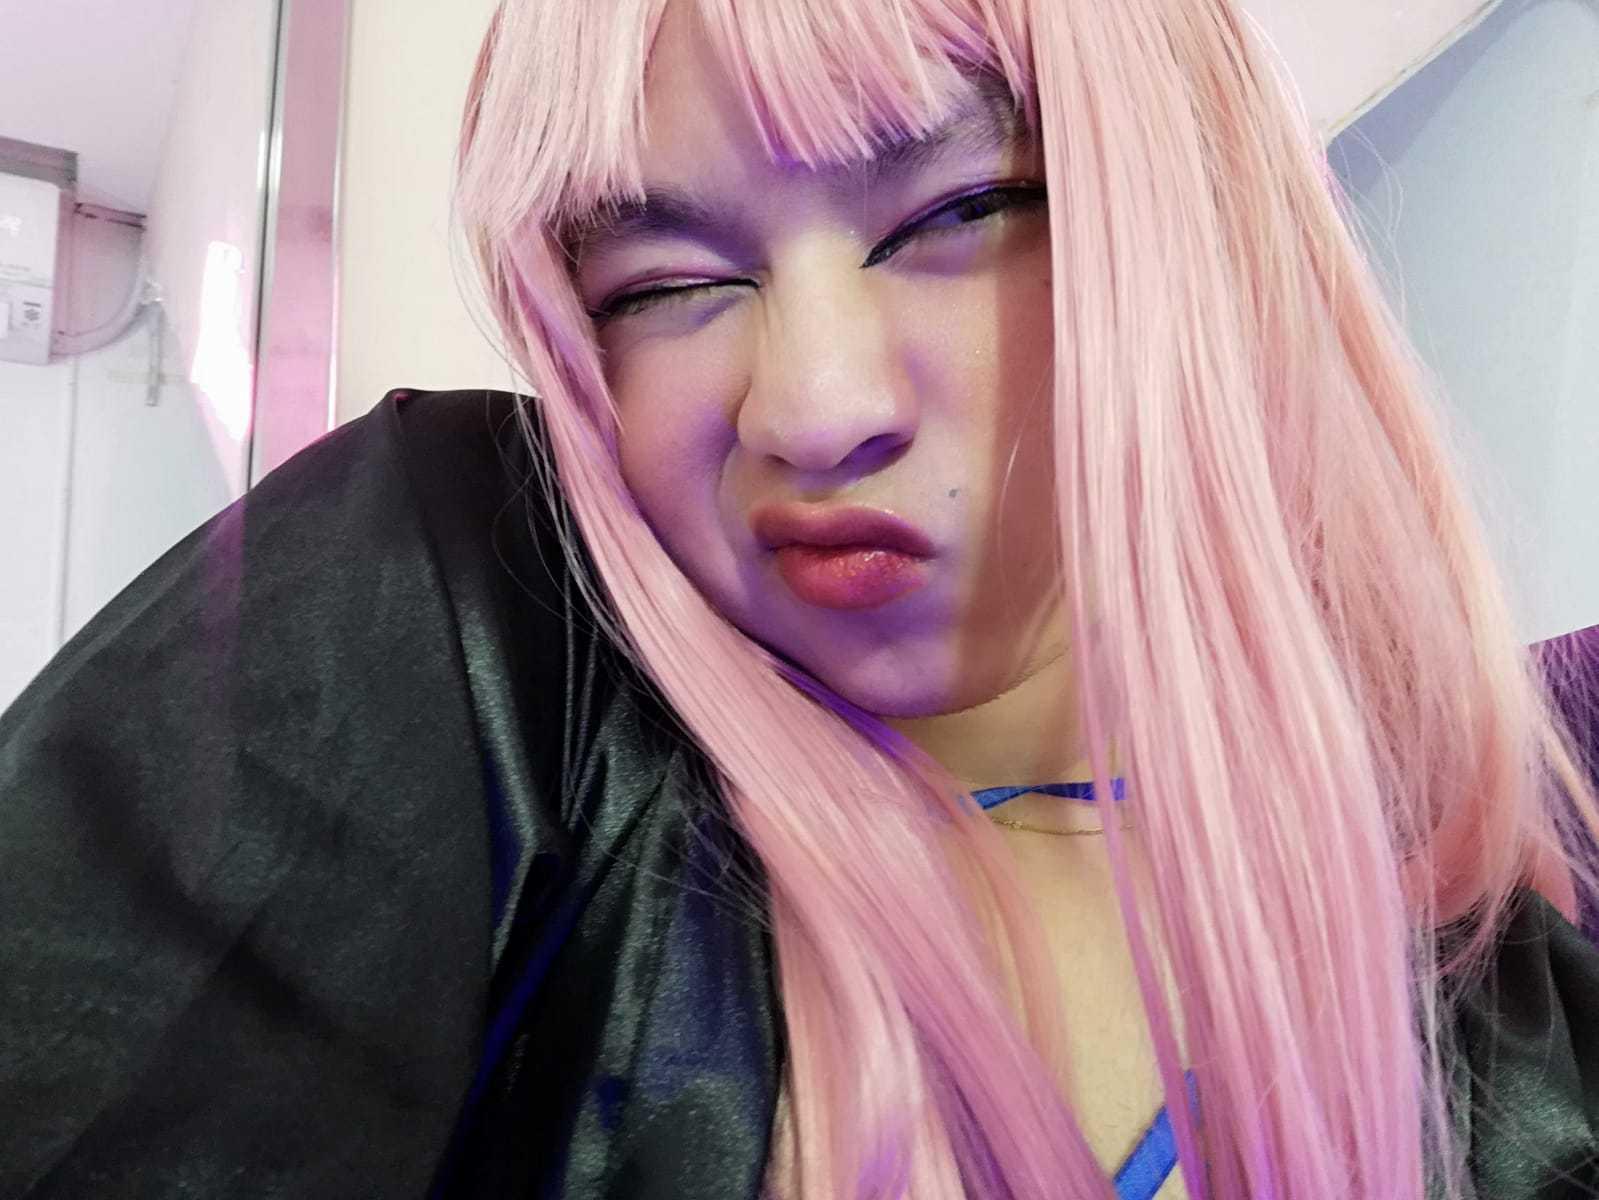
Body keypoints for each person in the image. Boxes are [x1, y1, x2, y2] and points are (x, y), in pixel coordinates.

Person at [3, 0, 1598, 1197]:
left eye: (960, 210)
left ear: (1203, 224)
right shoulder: (473, 632)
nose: (817, 410)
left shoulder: (1527, 1004)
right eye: (666, 285)